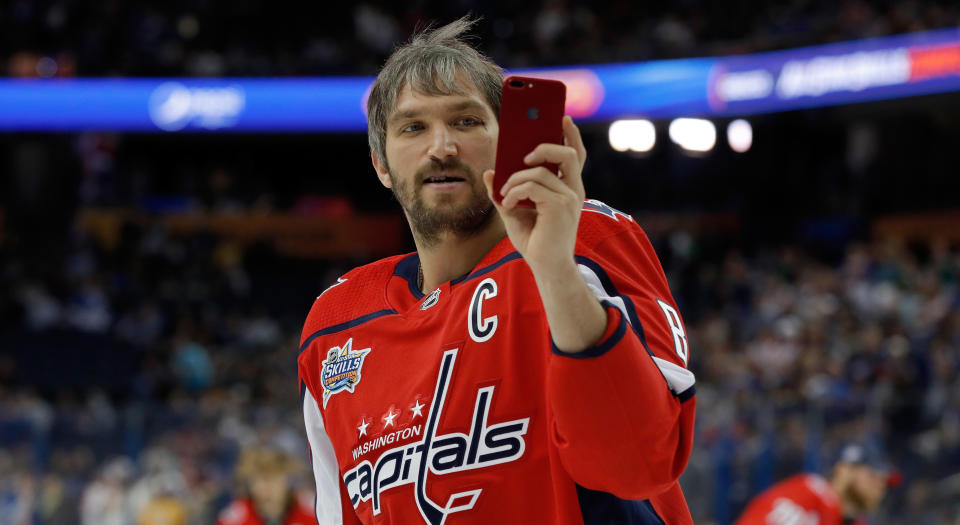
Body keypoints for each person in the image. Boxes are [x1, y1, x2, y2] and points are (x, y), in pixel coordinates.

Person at [298, 16, 696, 525]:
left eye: (466, 121)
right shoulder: (334, 324)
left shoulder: (588, 236)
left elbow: (642, 465)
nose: (441, 146)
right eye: (413, 127)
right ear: (380, 163)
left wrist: (554, 267)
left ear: (506, 142)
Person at [733, 443, 900, 525]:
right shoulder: (809, 492)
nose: (880, 487)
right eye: (873, 476)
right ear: (844, 471)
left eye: (885, 482)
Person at [216, 447, 317, 525]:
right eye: (262, 480)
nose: (267, 488)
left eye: (273, 479)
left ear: (287, 481)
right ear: (251, 484)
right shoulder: (234, 519)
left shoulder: (312, 512)